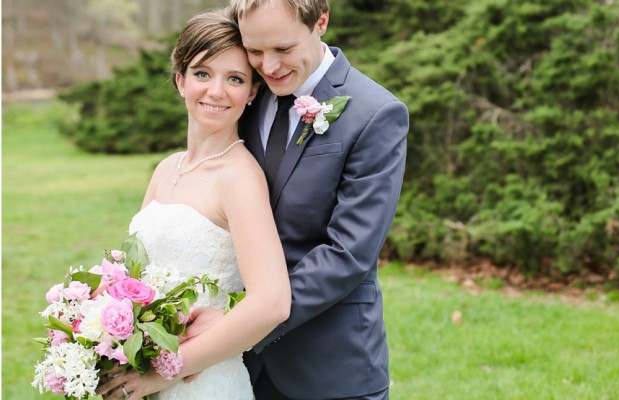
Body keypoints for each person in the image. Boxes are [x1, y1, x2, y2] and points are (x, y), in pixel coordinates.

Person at [185, 0, 409, 398]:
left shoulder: (376, 114)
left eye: (283, 49)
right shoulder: (245, 94)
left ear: (321, 21)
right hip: (233, 368)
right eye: (255, 51)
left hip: (329, 367)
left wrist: (242, 319)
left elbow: (348, 253)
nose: (269, 66)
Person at [95, 8, 291, 400]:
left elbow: (272, 303)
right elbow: (135, 276)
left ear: (252, 92)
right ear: (180, 80)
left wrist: (167, 372)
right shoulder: (166, 169)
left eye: (235, 79)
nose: (216, 91)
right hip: (142, 374)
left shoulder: (239, 177)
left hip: (201, 383)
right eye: (203, 73)